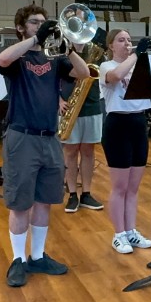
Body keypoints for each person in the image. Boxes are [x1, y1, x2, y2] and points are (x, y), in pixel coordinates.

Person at [0, 5, 90, 287]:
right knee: (20, 203)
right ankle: (18, 260)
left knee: (44, 201)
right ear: (21, 27)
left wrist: (67, 47)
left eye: (43, 22)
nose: (40, 25)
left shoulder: (55, 58)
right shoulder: (19, 57)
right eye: (34, 22)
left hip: (49, 137)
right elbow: (2, 59)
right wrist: (36, 39)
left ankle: (37, 256)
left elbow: (84, 73)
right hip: (21, 136)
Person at [98, 29, 151, 254]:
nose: (127, 43)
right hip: (117, 126)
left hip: (138, 123)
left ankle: (131, 231)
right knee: (120, 186)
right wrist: (136, 55)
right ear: (111, 45)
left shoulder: (138, 65)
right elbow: (115, 77)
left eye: (129, 40)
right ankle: (119, 234)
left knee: (133, 187)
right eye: (121, 40)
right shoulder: (106, 65)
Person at [60, 41, 104, 212]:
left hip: (92, 106)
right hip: (70, 107)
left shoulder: (96, 52)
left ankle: (86, 193)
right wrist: (59, 100)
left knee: (88, 151)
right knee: (70, 152)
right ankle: (72, 194)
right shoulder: (61, 54)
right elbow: (52, 80)